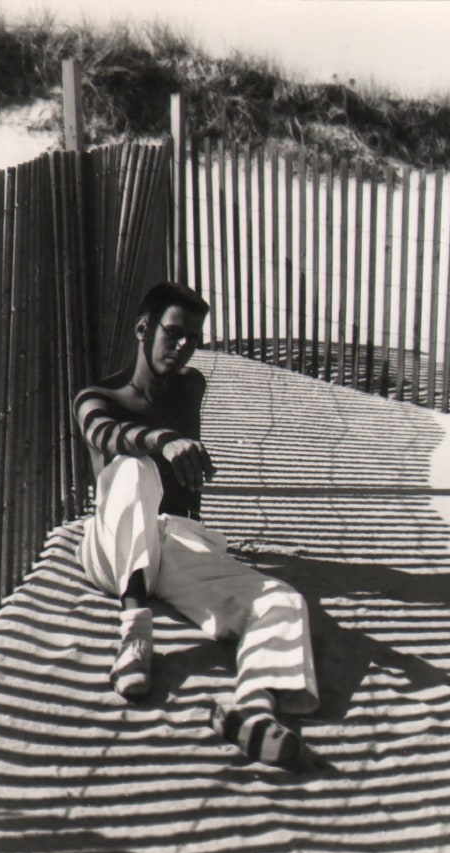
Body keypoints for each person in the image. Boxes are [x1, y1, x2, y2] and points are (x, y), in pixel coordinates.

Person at [73, 281, 319, 768]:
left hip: (178, 543)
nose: (183, 345)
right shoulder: (96, 395)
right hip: (113, 546)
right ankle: (135, 633)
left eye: (193, 338)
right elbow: (102, 432)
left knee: (282, 599)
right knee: (132, 469)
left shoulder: (191, 385)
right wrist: (160, 440)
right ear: (144, 328)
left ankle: (253, 712)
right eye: (173, 332)